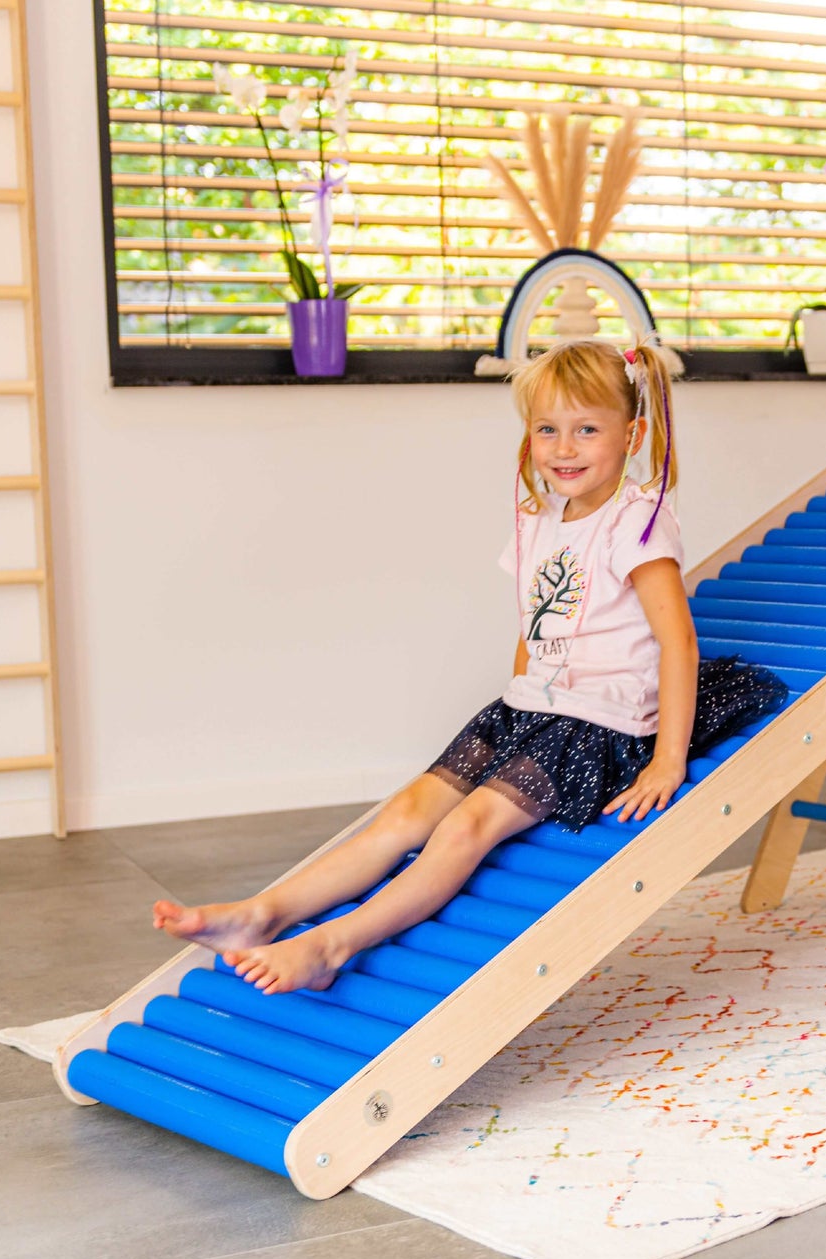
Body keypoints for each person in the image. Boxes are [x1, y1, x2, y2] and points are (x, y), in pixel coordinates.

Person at [150, 338, 786, 994]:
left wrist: (667, 760)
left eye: (586, 430)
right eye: (547, 429)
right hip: (532, 710)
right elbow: (534, 624)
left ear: (632, 435)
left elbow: (678, 643)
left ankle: (330, 945)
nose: (563, 448)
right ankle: (262, 915)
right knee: (406, 812)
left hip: (599, 726)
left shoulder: (637, 524)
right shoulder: (540, 518)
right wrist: (516, 707)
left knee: (464, 827)